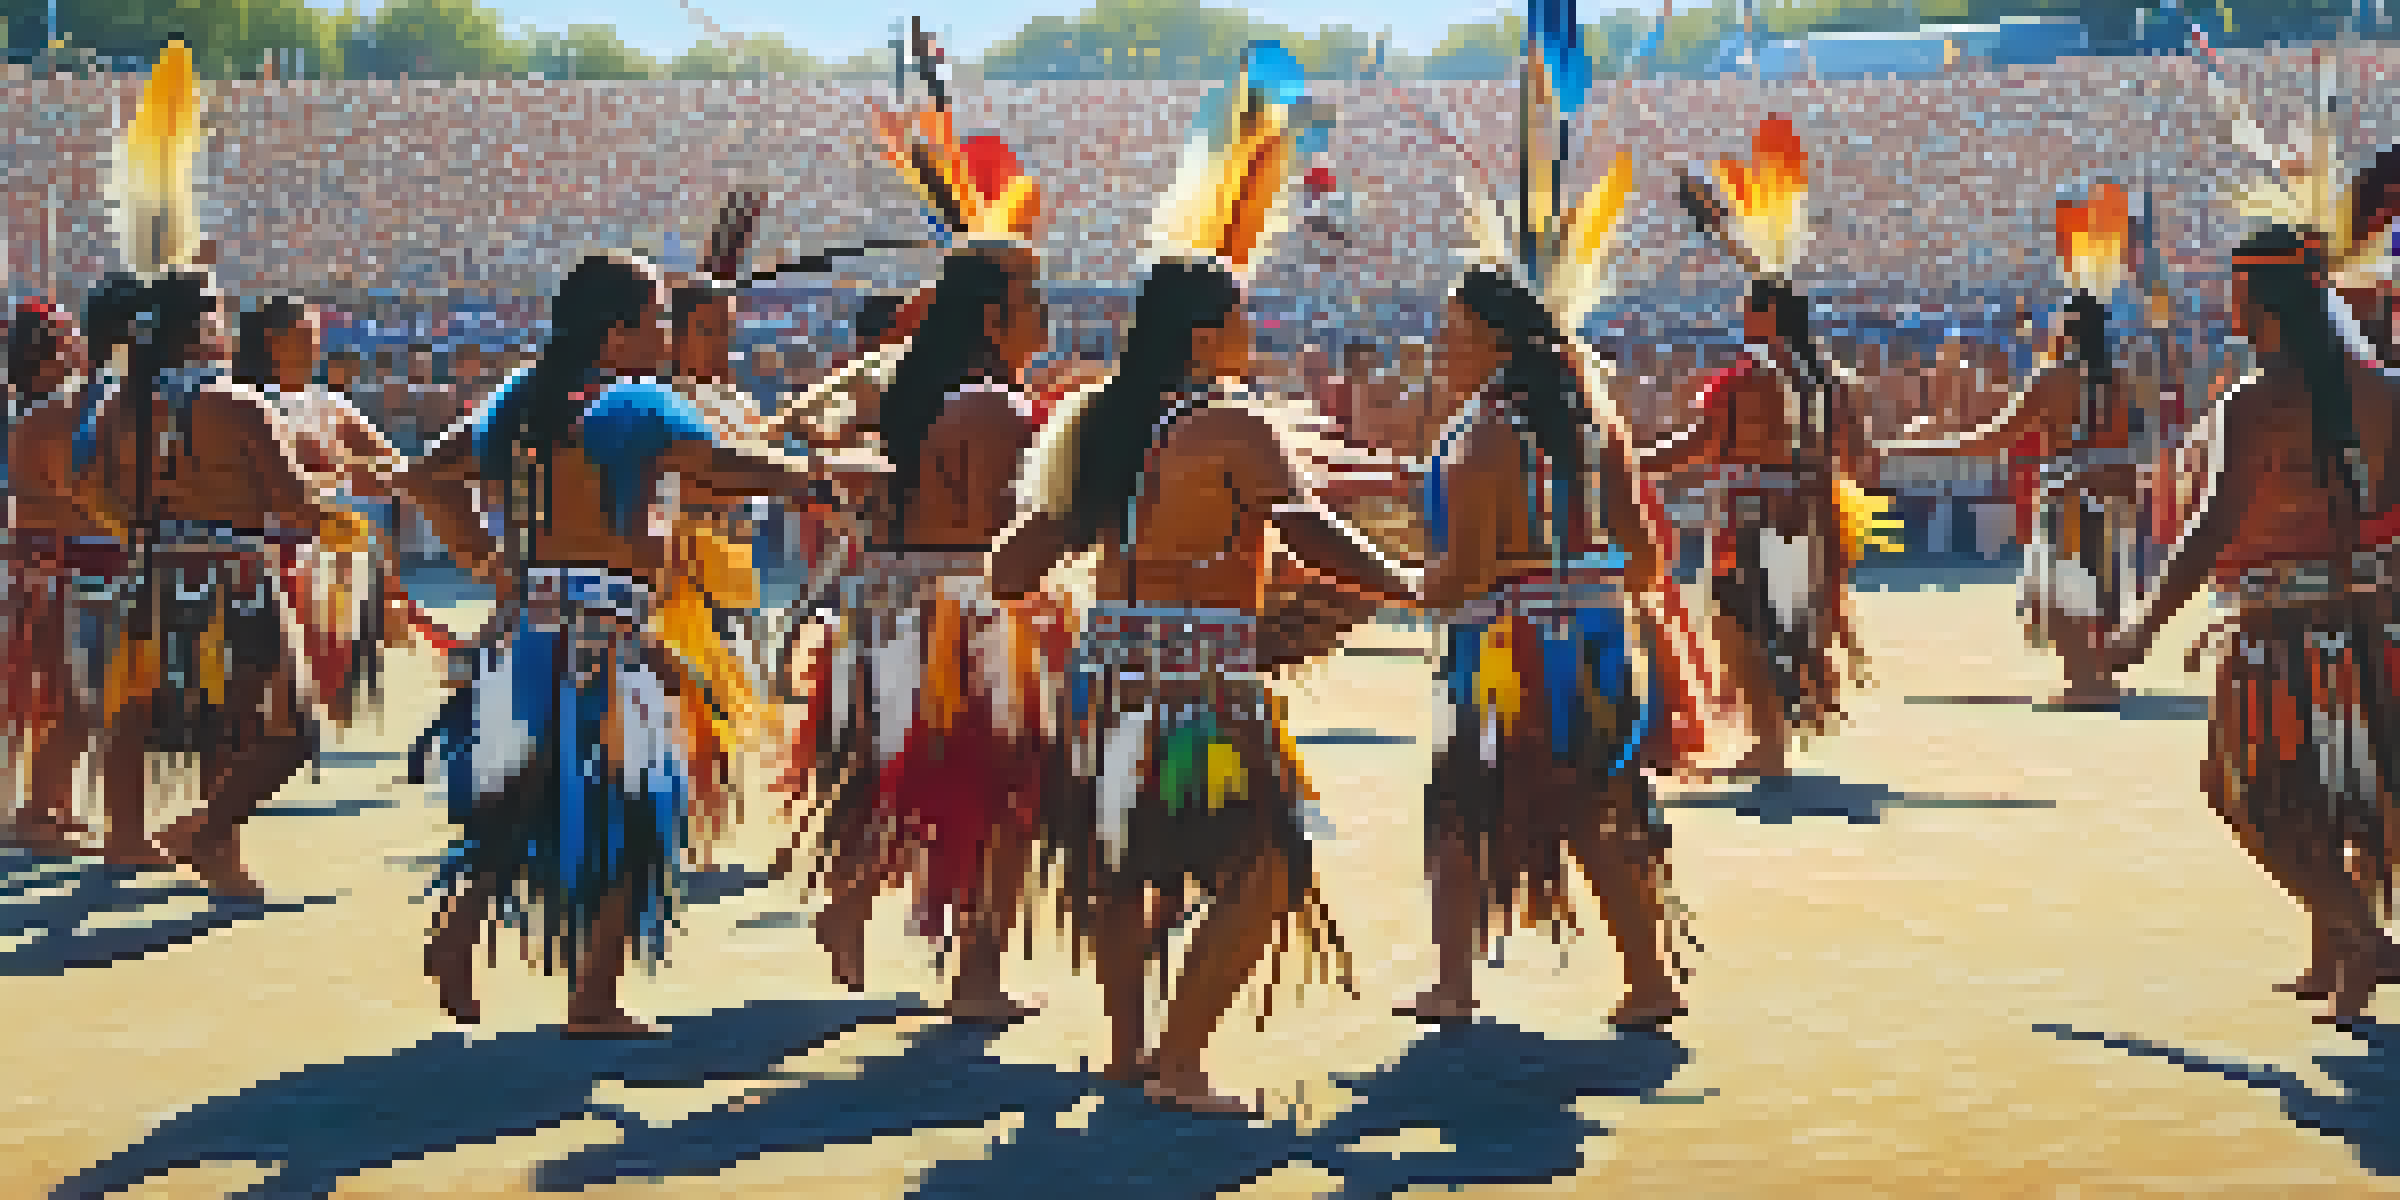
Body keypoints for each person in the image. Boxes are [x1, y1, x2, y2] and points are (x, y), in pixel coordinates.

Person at [399, 251, 867, 1035]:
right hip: (605, 636)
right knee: (637, 809)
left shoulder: (520, 399)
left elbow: (425, 478)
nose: (664, 333)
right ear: (617, 334)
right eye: (654, 319)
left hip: (529, 627)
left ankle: (464, 925)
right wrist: (814, 475)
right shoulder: (636, 404)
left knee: (522, 793)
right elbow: (719, 465)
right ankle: (592, 999)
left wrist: (488, 564)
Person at [995, 256, 1409, 1114]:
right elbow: (1308, 531)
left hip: (1109, 683)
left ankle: (1125, 1052)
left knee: (1122, 867)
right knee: (1259, 870)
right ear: (1201, 336)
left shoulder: (1098, 422)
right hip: (1201, 693)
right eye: (1241, 318)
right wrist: (1407, 584)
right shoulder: (1231, 427)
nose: (1252, 335)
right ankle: (1179, 1067)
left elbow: (1012, 570)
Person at [2098, 225, 2400, 1023]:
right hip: (2369, 625)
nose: (2225, 305)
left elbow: (2211, 527)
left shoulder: (2255, 401)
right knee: (2339, 794)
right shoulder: (2382, 392)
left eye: (2233, 290)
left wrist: (2143, 624)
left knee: (2247, 793)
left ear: (2259, 302)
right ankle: (2336, 959)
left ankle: (2360, 935)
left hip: (2277, 632)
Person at [793, 242, 1072, 1023]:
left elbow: (816, 426)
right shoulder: (992, 406)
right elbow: (1006, 537)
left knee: (899, 774)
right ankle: (977, 976)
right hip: (969, 618)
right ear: (994, 316)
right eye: (1033, 301)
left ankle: (850, 904)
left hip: (889, 602)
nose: (1046, 316)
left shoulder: (903, 385)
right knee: (1003, 797)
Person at [76, 268, 379, 897]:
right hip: (234, 576)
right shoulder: (237, 404)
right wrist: (343, 508)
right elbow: (294, 507)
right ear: (202, 325)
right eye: (217, 309)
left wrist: (141, 531)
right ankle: (212, 836)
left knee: (169, 718)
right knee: (286, 729)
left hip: (156, 572)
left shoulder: (123, 403)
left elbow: (91, 489)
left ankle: (173, 845)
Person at [1645, 117, 1892, 780]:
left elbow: (1697, 447)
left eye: (1746, 308)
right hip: (1811, 519)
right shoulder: (1830, 379)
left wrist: (1624, 459)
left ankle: (1768, 749)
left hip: (1755, 519)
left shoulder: (1751, 377)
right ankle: (1770, 745)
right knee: (1780, 624)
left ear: (1759, 318)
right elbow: (1863, 459)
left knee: (1741, 626)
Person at [1877, 184, 2149, 707]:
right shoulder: (2122, 376)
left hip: (2073, 491)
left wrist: (1922, 447)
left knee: (2064, 586)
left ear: (2066, 330)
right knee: (2103, 580)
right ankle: (2100, 675)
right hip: (2116, 492)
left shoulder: (2054, 377)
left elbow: (2000, 436)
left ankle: (2086, 685)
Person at [3, 299, 105, 855]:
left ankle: (52, 805)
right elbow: (42, 504)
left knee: (64, 697)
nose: (80, 348)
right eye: (70, 339)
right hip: (47, 568)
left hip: (48, 566)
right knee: (70, 698)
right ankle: (39, 810)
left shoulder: (47, 412)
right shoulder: (43, 417)